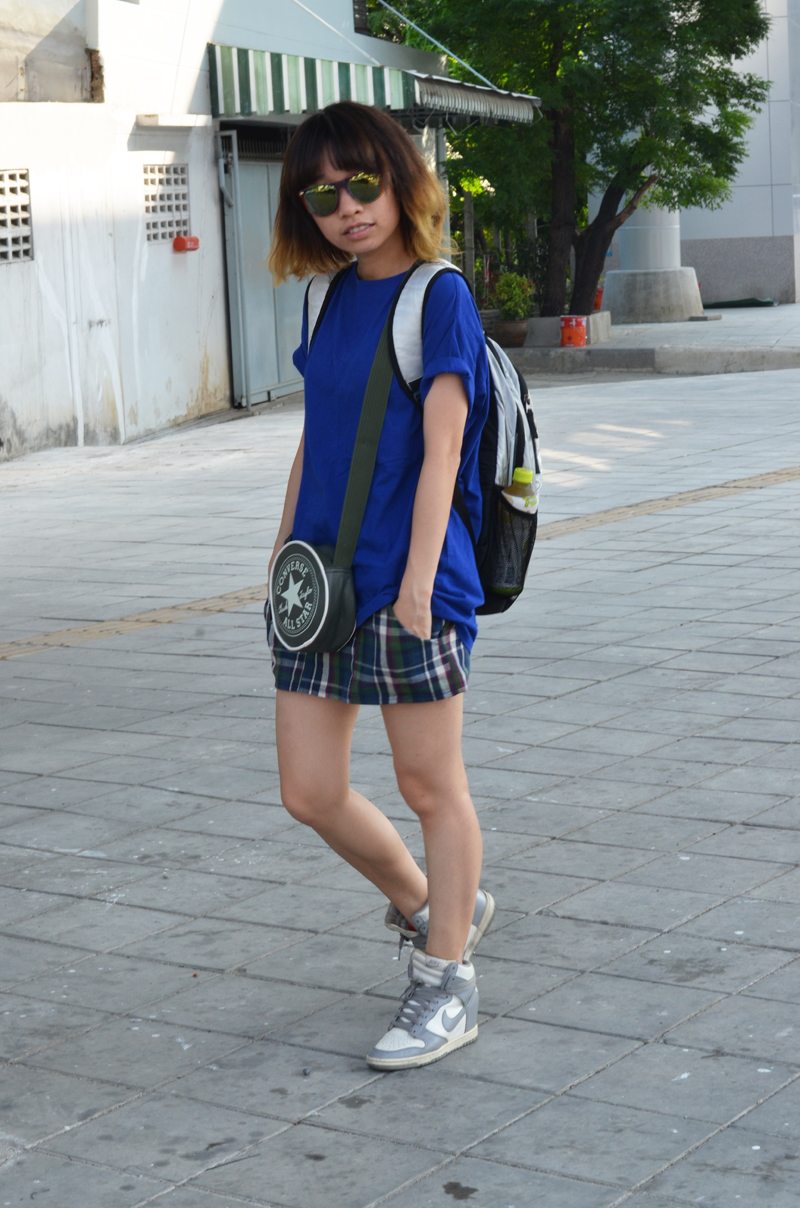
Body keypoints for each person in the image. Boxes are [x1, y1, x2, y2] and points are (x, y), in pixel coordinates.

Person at [267, 101, 494, 1070]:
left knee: (428, 785)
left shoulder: (437, 296)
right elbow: (315, 436)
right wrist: (282, 551)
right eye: (322, 195)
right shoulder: (324, 300)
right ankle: (432, 904)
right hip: (320, 585)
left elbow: (443, 449)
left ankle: (447, 981)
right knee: (309, 790)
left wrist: (416, 584)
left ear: (400, 180)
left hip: (409, 584)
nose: (347, 208)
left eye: (362, 183)